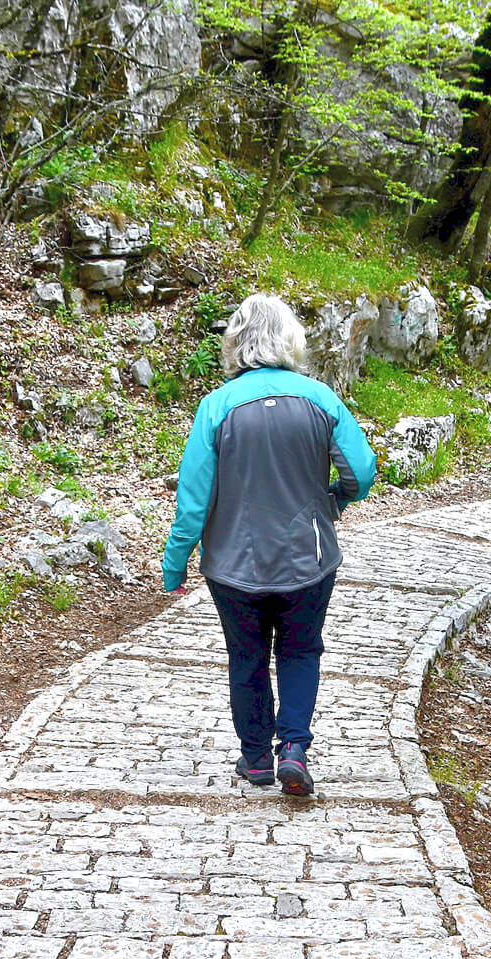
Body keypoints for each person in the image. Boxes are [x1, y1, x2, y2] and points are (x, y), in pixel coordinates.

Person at [162, 293, 377, 796]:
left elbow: (193, 500)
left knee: (247, 656)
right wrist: (335, 500)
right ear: (289, 339)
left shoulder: (216, 408)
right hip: (309, 557)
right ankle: (294, 749)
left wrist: (176, 564)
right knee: (301, 650)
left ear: (235, 342)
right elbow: (361, 471)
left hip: (234, 564)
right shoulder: (320, 398)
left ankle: (256, 757)